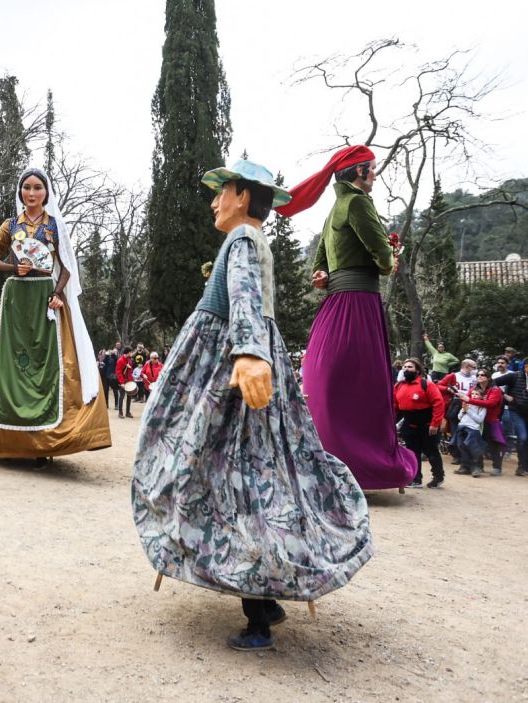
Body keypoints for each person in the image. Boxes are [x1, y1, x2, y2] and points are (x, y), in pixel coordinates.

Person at [133, 160, 373, 652]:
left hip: (232, 364)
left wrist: (245, 352)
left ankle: (258, 607)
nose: (214, 201)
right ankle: (263, 601)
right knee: (252, 476)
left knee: (227, 476)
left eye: (221, 192)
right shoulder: (249, 241)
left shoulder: (242, 240)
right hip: (248, 359)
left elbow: (243, 297)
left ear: (242, 196)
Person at [277, 144, 416, 491]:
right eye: (372, 169)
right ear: (359, 172)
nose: (374, 175)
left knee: (326, 382)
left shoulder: (334, 208)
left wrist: (321, 274)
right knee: (364, 385)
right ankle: (366, 465)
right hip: (359, 304)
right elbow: (383, 261)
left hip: (333, 306)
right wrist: (392, 257)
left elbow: (319, 263)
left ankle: (324, 459)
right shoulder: (357, 202)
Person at [0, 168, 111, 460]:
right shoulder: (10, 224)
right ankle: (10, 443)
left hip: (45, 298)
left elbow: (66, 267)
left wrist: (57, 294)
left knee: (47, 367)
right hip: (16, 298)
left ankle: (45, 444)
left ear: (46, 192)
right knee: (12, 367)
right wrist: (14, 268)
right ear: (20, 192)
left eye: (37, 187)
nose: (31, 193)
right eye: (26, 187)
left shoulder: (55, 226)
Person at [393, 358, 445, 488]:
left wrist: (435, 423)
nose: (406, 369)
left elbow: (438, 403)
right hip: (409, 423)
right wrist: (391, 421)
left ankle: (438, 477)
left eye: (410, 367)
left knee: (431, 451)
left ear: (417, 370)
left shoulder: (426, 384)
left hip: (427, 424)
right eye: (404, 367)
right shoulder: (398, 386)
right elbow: (394, 405)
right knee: (412, 452)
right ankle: (416, 479)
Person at [461, 369, 505, 477]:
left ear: (488, 377)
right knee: (476, 444)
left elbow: (491, 403)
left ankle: (497, 467)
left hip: (490, 421)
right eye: (478, 375)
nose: (480, 376)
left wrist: (469, 400)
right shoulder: (474, 389)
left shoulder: (495, 390)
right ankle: (478, 467)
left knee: (493, 444)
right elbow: (466, 400)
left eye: (483, 375)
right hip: (475, 421)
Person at [453, 388, 488, 477]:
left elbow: (479, 420)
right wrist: (464, 410)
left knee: (473, 449)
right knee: (462, 447)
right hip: (462, 427)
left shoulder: (482, 407)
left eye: (477, 394)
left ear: (481, 396)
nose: (474, 395)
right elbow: (459, 417)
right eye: (472, 394)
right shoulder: (467, 404)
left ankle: (476, 468)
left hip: (473, 429)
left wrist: (468, 410)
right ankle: (465, 467)